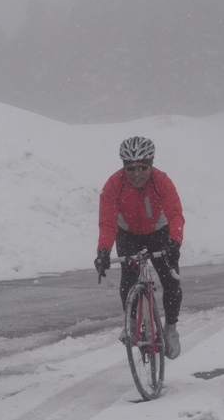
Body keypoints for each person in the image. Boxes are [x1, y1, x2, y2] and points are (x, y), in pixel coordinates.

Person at [94, 136, 185, 359]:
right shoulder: (114, 184)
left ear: (151, 165)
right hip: (129, 234)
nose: (137, 174)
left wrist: (175, 242)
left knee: (170, 279)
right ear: (124, 167)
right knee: (128, 279)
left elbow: (175, 213)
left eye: (143, 167)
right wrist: (103, 250)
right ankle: (132, 321)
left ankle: (171, 329)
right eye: (131, 168)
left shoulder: (161, 181)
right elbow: (107, 221)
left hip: (160, 232)